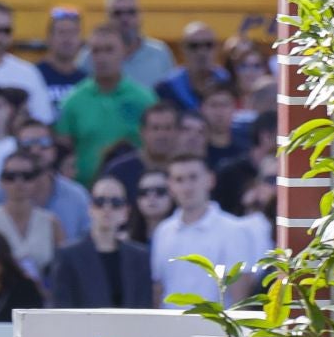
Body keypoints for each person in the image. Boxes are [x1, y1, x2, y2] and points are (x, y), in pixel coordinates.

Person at [150, 155, 268, 308]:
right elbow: (158, 290)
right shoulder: (163, 231)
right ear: (170, 186)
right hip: (169, 329)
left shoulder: (234, 230)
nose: (187, 187)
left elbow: (241, 301)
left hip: (215, 330)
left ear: (210, 180)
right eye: (179, 180)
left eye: (193, 177)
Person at [56, 25, 158, 185]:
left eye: (109, 50)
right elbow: (63, 151)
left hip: (134, 191)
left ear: (125, 51)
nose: (102, 57)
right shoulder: (73, 101)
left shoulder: (144, 99)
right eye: (96, 51)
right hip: (87, 193)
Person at [49, 175, 152, 309]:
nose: (107, 208)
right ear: (90, 208)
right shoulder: (68, 256)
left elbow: (144, 308)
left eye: (116, 202)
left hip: (130, 329)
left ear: (126, 211)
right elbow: (62, 308)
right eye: (100, 201)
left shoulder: (140, 257)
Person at [0, 151, 63, 283]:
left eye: (27, 176)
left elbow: (63, 268)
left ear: (36, 181)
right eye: (10, 176)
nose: (19, 182)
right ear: (1, 181)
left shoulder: (51, 222)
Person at [106, 0, 175, 88]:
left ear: (141, 16)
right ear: (108, 18)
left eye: (131, 12)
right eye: (118, 13)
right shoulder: (93, 55)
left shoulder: (160, 53)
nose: (125, 18)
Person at [157, 23, 229, 112]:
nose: (202, 52)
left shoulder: (228, 83)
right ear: (182, 49)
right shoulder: (166, 89)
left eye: (208, 45)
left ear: (217, 48)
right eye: (194, 46)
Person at [33, 7, 88, 118]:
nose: (67, 39)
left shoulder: (86, 81)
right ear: (49, 39)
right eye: (62, 32)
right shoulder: (34, 75)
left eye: (73, 33)